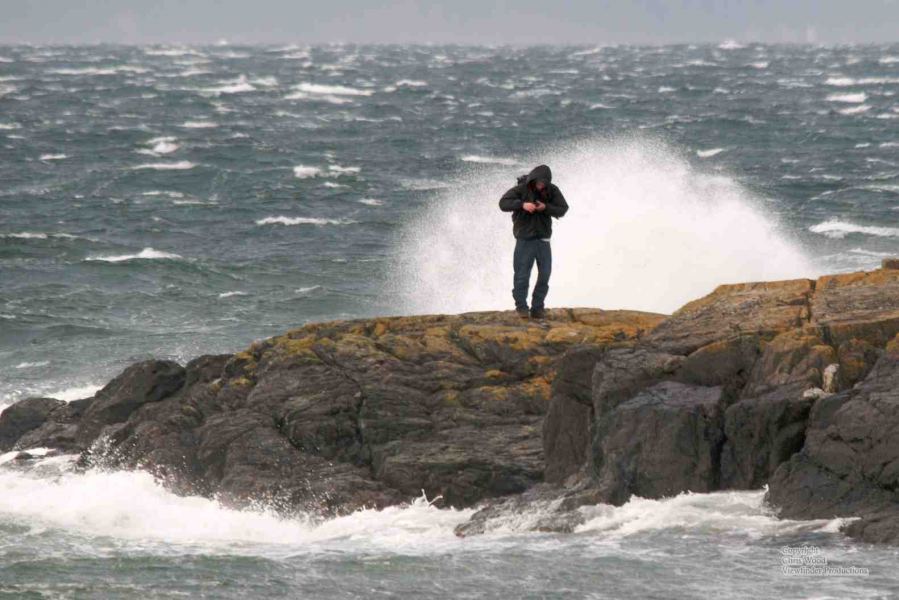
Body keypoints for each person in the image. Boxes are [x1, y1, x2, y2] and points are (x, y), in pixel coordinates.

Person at [498, 164, 568, 319]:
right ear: (533, 179)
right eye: (539, 182)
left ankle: (538, 308)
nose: (541, 185)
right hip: (524, 240)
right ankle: (521, 307)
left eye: (544, 182)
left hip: (543, 240)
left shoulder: (552, 190)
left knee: (544, 275)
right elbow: (503, 203)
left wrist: (545, 207)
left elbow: (563, 208)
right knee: (522, 275)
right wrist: (522, 205)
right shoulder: (521, 189)